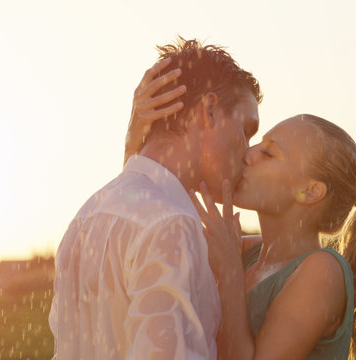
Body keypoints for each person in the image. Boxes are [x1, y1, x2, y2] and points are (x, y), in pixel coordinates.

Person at [48, 37, 262, 360]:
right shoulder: (172, 223)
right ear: (210, 110)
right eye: (246, 129)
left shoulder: (84, 218)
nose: (247, 152)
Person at [127, 113, 356, 359]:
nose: (248, 154)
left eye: (268, 153)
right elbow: (140, 236)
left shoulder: (322, 271)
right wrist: (137, 146)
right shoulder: (242, 251)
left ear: (310, 192)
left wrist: (229, 272)